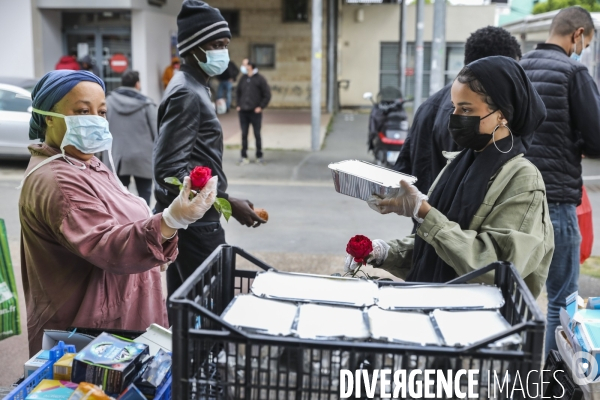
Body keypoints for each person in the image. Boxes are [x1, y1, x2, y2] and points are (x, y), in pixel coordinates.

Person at [19, 69, 217, 355]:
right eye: (82, 111)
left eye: (101, 112)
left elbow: (124, 223)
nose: (96, 120)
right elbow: (107, 245)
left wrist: (157, 240)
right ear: (49, 117)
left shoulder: (84, 163)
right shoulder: (60, 181)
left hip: (122, 320)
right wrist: (171, 220)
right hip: (90, 337)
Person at [349, 57, 553, 301]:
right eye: (454, 107)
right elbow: (438, 247)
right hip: (437, 306)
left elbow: (495, 265)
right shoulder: (460, 161)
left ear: (502, 115)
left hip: (479, 324)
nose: (454, 117)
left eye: (466, 110)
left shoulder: (522, 178)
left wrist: (424, 212)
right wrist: (384, 252)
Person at [153, 0, 266, 305]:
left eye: (225, 44)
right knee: (211, 307)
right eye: (215, 44)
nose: (222, 52)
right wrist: (228, 203)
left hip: (196, 219)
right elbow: (168, 173)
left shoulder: (197, 85)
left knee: (184, 306)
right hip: (195, 225)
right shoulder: (187, 92)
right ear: (192, 47)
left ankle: (184, 353)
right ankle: (201, 354)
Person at [520, 6, 600, 353]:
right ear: (577, 34)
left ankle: (515, 376)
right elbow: (597, 137)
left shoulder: (518, 69)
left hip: (516, 202)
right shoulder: (574, 72)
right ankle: (556, 384)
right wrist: (578, 144)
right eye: (586, 42)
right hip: (556, 203)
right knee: (561, 303)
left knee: (516, 296)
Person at [393, 26, 522, 194]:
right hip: (455, 218)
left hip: (422, 212)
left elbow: (404, 167)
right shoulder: (488, 117)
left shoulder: (428, 106)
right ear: (500, 69)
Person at [106, 70, 157, 205]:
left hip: (117, 157)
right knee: (145, 193)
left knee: (119, 195)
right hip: (143, 157)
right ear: (137, 84)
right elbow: (156, 133)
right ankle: (144, 221)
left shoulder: (108, 102)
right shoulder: (147, 104)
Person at [236, 61, 271, 164]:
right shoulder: (243, 78)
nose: (243, 66)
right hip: (243, 112)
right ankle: (244, 156)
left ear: (250, 66)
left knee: (257, 134)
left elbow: (267, 94)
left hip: (255, 112)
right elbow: (238, 92)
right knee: (244, 134)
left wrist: (261, 106)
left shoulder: (260, 79)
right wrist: (238, 105)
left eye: (245, 65)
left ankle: (259, 155)